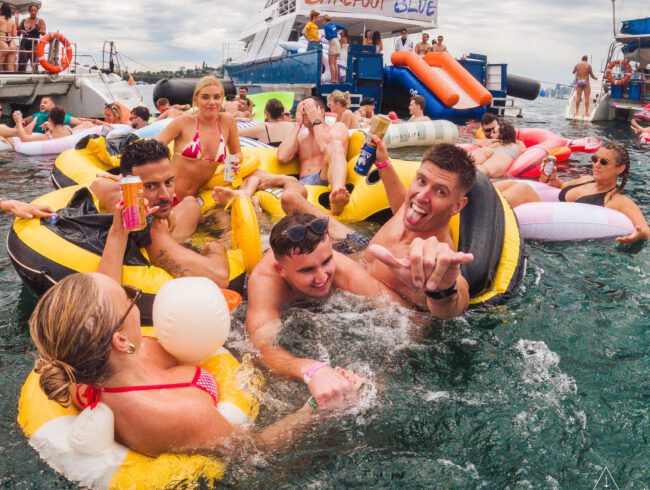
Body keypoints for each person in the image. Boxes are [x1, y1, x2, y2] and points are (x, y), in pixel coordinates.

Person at [29, 273, 360, 459]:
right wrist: (317, 407)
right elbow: (256, 448)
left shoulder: (78, 366)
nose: (135, 303)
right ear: (119, 341)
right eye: (130, 298)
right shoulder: (180, 413)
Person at [246, 209, 473, 401]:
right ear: (281, 270)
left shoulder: (341, 266)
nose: (322, 277)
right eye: (307, 270)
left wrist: (387, 374)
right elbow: (263, 347)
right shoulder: (265, 283)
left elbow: (407, 317)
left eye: (326, 262)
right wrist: (311, 369)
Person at [90, 139, 231, 285]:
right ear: (128, 187)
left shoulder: (115, 193)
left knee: (191, 203)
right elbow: (219, 278)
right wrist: (216, 247)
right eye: (150, 186)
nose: (165, 195)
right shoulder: (151, 228)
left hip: (164, 225)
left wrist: (168, 214)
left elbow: (96, 185)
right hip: (163, 245)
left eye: (168, 182)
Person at [496, 141, 649, 244]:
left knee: (522, 189)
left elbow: (645, 229)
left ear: (620, 169)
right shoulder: (586, 179)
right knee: (511, 183)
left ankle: (483, 214)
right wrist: (552, 178)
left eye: (604, 162)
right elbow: (561, 187)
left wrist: (638, 236)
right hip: (545, 209)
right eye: (595, 159)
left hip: (549, 224)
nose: (596, 165)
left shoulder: (616, 200)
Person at [157, 76, 242, 201]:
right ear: (196, 99)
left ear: (222, 99)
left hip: (198, 198)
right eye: (205, 97)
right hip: (170, 196)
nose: (212, 102)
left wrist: (235, 161)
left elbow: (237, 153)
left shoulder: (227, 121)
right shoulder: (183, 121)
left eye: (217, 97)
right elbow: (150, 149)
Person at [277, 97, 350, 216]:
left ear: (321, 111)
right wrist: (297, 125)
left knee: (335, 145)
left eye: (308, 109)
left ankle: (337, 194)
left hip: (325, 176)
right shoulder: (301, 137)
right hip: (303, 183)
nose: (304, 113)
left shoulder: (338, 127)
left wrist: (316, 120)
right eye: (301, 111)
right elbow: (282, 156)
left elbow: (326, 146)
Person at [12, 107, 93, 142]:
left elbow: (24, 138)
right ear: (64, 119)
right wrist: (49, 125)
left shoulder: (47, 137)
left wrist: (19, 121)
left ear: (50, 119)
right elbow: (88, 123)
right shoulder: (68, 129)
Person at [21, 96, 86, 135]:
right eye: (41, 103)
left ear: (53, 105)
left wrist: (70, 131)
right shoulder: (36, 116)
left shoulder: (64, 117)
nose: (41, 104)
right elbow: (23, 122)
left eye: (45, 103)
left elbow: (83, 124)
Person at [17, 4, 46, 73]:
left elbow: (44, 33)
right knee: (21, 65)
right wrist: (21, 31)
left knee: (34, 65)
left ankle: (34, 80)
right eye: (32, 10)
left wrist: (39, 29)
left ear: (37, 12)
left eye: (35, 10)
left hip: (35, 43)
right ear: (29, 11)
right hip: (24, 43)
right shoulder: (24, 20)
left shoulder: (40, 21)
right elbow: (17, 33)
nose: (33, 12)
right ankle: (20, 81)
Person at [323, 16, 346, 83]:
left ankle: (332, 79)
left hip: (332, 42)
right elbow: (344, 27)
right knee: (335, 63)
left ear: (325, 20)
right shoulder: (334, 25)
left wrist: (324, 36)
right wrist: (337, 33)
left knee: (331, 63)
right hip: (337, 42)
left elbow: (329, 37)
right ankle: (336, 79)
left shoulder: (326, 27)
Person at [0, 2, 17, 73]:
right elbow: (14, 35)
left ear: (2, 10)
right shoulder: (12, 21)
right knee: (10, 67)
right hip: (12, 43)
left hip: (2, 41)